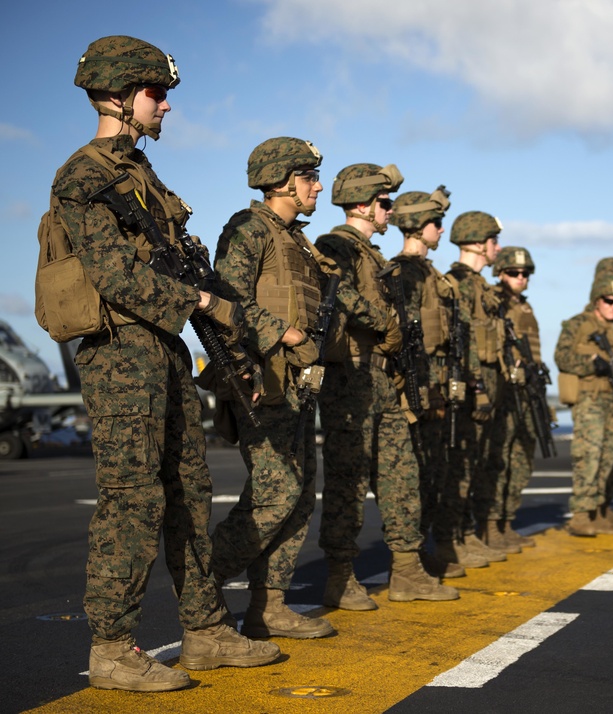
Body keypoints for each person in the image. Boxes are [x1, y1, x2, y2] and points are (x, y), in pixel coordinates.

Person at [51, 35, 278, 692]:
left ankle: (205, 633)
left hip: (164, 350)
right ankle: (113, 646)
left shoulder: (140, 177)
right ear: (121, 96)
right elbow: (113, 276)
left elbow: (171, 258)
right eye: (157, 94)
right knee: (132, 500)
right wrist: (200, 298)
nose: (166, 107)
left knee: (189, 492)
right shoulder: (85, 177)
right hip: (121, 352)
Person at [315, 163, 458, 607]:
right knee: (349, 479)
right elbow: (334, 291)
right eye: (383, 203)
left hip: (383, 375)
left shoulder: (373, 254)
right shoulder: (335, 245)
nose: (390, 211)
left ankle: (407, 570)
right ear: (362, 204)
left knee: (402, 477)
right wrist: (385, 321)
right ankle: (340, 574)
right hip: (351, 375)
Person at [208, 137, 334, 639]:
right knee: (275, 493)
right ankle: (203, 584)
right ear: (282, 180)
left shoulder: (298, 241)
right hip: (264, 382)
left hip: (299, 385)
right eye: (308, 177)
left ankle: (269, 605)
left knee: (300, 495)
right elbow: (223, 298)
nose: (317, 186)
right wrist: (280, 332)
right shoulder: (248, 230)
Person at [387, 186, 467, 578]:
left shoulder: (434, 275)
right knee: (413, 476)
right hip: (415, 390)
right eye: (436, 222)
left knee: (435, 472)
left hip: (438, 388)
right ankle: (409, 560)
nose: (440, 229)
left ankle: (424, 552)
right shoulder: (401, 272)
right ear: (418, 226)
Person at [437, 211, 509, 567]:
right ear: (480, 243)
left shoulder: (481, 286)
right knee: (459, 468)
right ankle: (451, 537)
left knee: (476, 465)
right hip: (470, 389)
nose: (498, 247)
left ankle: (465, 533)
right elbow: (461, 343)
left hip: (487, 387)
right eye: (494, 240)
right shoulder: (461, 284)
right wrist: (477, 387)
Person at [554, 275, 613, 536]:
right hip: (589, 399)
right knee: (589, 456)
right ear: (597, 300)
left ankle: (598, 510)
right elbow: (562, 357)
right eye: (609, 301)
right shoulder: (578, 324)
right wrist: (591, 364)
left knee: (610, 456)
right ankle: (580, 515)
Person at [479, 246, 546, 552]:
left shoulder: (526, 308)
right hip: (504, 391)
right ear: (501, 273)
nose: (521, 278)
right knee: (498, 459)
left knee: (521, 458)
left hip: (527, 391)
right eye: (514, 273)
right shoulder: (494, 302)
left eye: (525, 274)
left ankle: (506, 521)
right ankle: (490, 525)